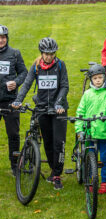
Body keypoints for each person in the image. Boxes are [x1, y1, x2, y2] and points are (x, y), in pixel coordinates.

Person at [12, 38, 69, 190]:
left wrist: (59, 102)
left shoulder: (61, 65)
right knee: (48, 143)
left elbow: (64, 86)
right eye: (46, 53)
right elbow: (27, 84)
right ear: (41, 53)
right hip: (42, 108)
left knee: (59, 143)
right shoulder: (36, 66)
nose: (49, 56)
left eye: (51, 53)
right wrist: (18, 100)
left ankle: (57, 175)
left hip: (59, 110)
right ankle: (53, 170)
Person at [75, 64, 106, 195]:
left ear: (104, 78)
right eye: (95, 78)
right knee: (89, 157)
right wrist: (79, 129)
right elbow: (80, 111)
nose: (98, 80)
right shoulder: (87, 94)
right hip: (89, 131)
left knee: (104, 158)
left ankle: (104, 181)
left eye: (100, 77)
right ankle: (90, 179)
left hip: (103, 132)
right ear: (91, 80)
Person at [0, 25, 27, 175]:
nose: (1, 40)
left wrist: (16, 82)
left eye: (3, 37)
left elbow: (24, 72)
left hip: (10, 100)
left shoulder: (15, 54)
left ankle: (14, 165)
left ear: (7, 38)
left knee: (13, 134)